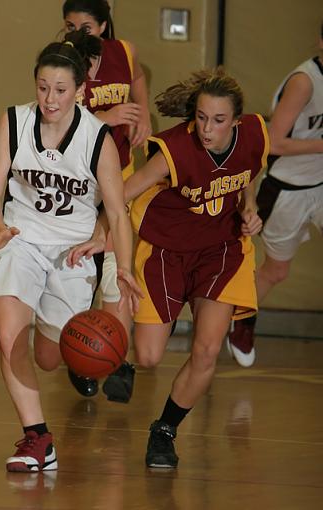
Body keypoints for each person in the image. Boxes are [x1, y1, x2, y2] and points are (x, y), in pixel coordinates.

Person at [71, 66, 269, 467]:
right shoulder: (175, 149)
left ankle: (164, 430)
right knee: (147, 357)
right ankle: (117, 343)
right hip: (167, 250)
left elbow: (248, 172)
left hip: (221, 250)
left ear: (237, 119)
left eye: (218, 120)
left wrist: (250, 207)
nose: (207, 129)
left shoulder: (254, 134)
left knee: (208, 350)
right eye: (200, 118)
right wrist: (99, 233)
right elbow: (121, 192)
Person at [0, 30, 142, 472]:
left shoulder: (97, 139)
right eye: (43, 87)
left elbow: (117, 209)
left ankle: (62, 350)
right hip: (22, 239)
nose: (50, 98)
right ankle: (38, 439)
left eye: (61, 90)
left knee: (49, 359)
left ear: (81, 90)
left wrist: (122, 265)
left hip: (72, 251)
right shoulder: (13, 122)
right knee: (7, 335)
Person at [62, 0, 152, 403]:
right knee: (82, 269)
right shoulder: (64, 61)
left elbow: (138, 78)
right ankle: (80, 353)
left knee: (119, 263)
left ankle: (117, 357)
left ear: (103, 24)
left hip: (120, 178)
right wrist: (107, 118)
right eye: (69, 24)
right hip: (79, 185)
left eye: (85, 24)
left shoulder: (123, 51)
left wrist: (143, 115)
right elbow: (58, 121)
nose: (77, 31)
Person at [228, 22, 323, 367]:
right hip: (287, 189)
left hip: (321, 184)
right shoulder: (304, 82)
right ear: (321, 41)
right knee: (277, 271)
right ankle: (242, 318)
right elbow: (275, 142)